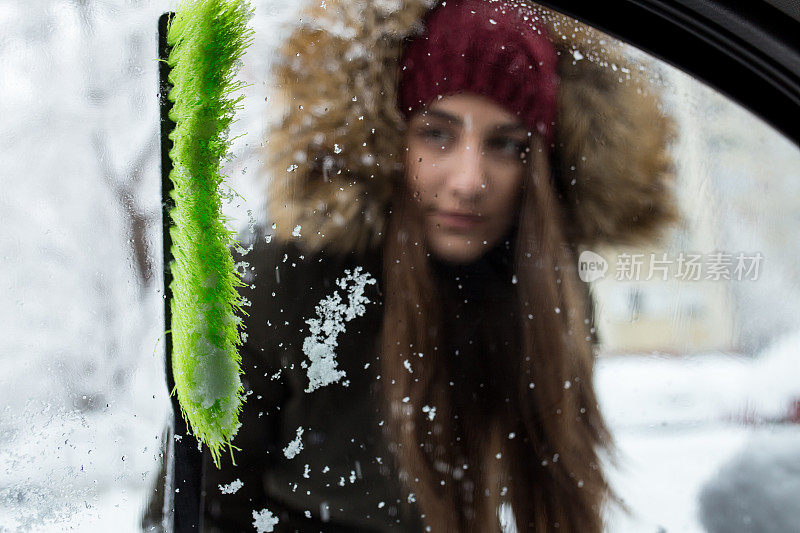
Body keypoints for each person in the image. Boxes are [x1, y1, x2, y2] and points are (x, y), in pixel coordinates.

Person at [144, 0, 676, 531]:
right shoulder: (285, 278)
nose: (469, 180)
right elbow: (192, 509)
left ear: (537, 166)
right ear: (389, 137)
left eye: (506, 145)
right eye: (437, 134)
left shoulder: (549, 290)